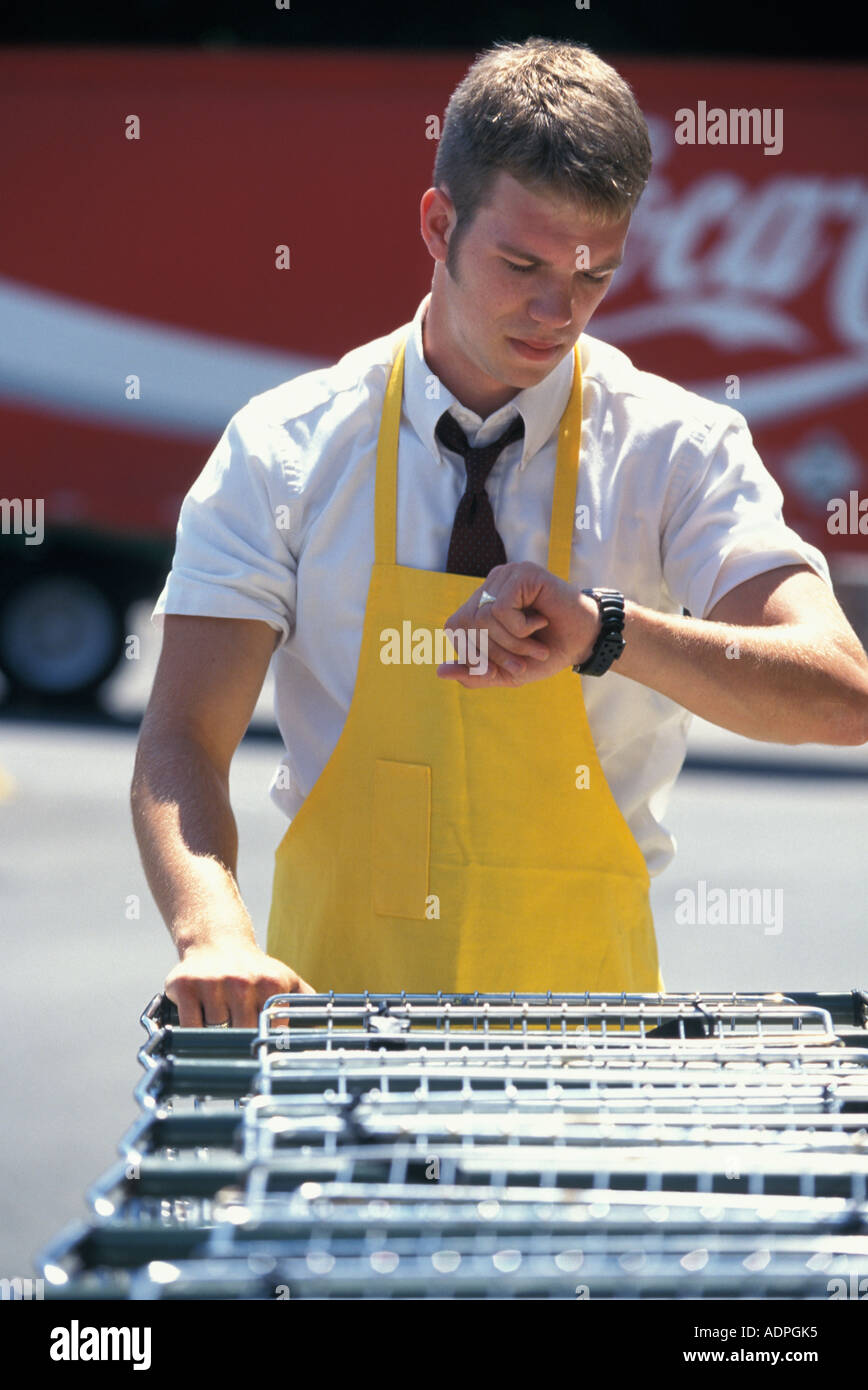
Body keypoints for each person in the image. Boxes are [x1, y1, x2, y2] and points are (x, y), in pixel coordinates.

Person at [132, 37, 868, 1028]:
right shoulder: (285, 447)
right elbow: (180, 734)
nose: (554, 312)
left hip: (590, 1069)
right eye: (519, 264)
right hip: (331, 1052)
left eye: (594, 275)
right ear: (437, 223)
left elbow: (839, 697)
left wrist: (609, 631)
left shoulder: (679, 449)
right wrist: (212, 929)